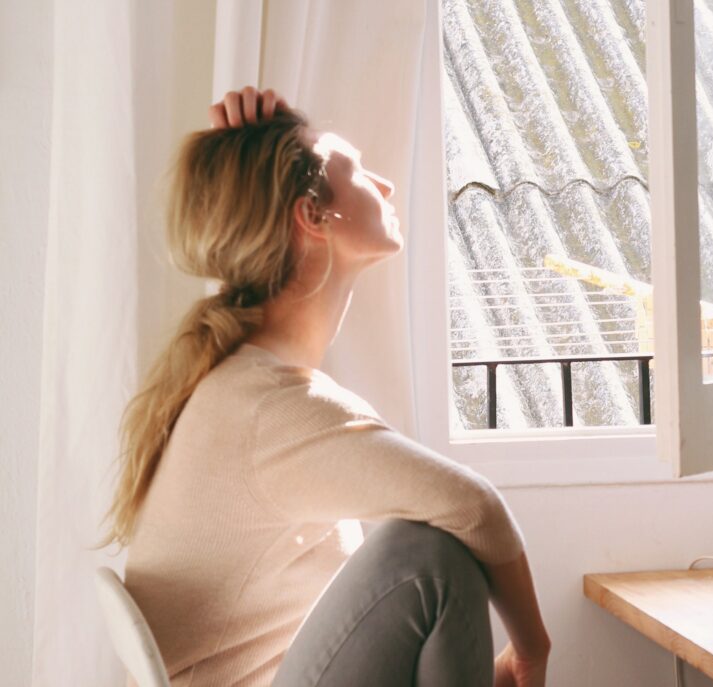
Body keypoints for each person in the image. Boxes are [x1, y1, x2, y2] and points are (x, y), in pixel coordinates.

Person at [102, 86, 550, 687]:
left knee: (428, 547)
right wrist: (533, 651)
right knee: (429, 557)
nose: (385, 185)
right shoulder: (266, 408)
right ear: (312, 216)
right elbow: (476, 508)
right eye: (358, 170)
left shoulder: (248, 386)